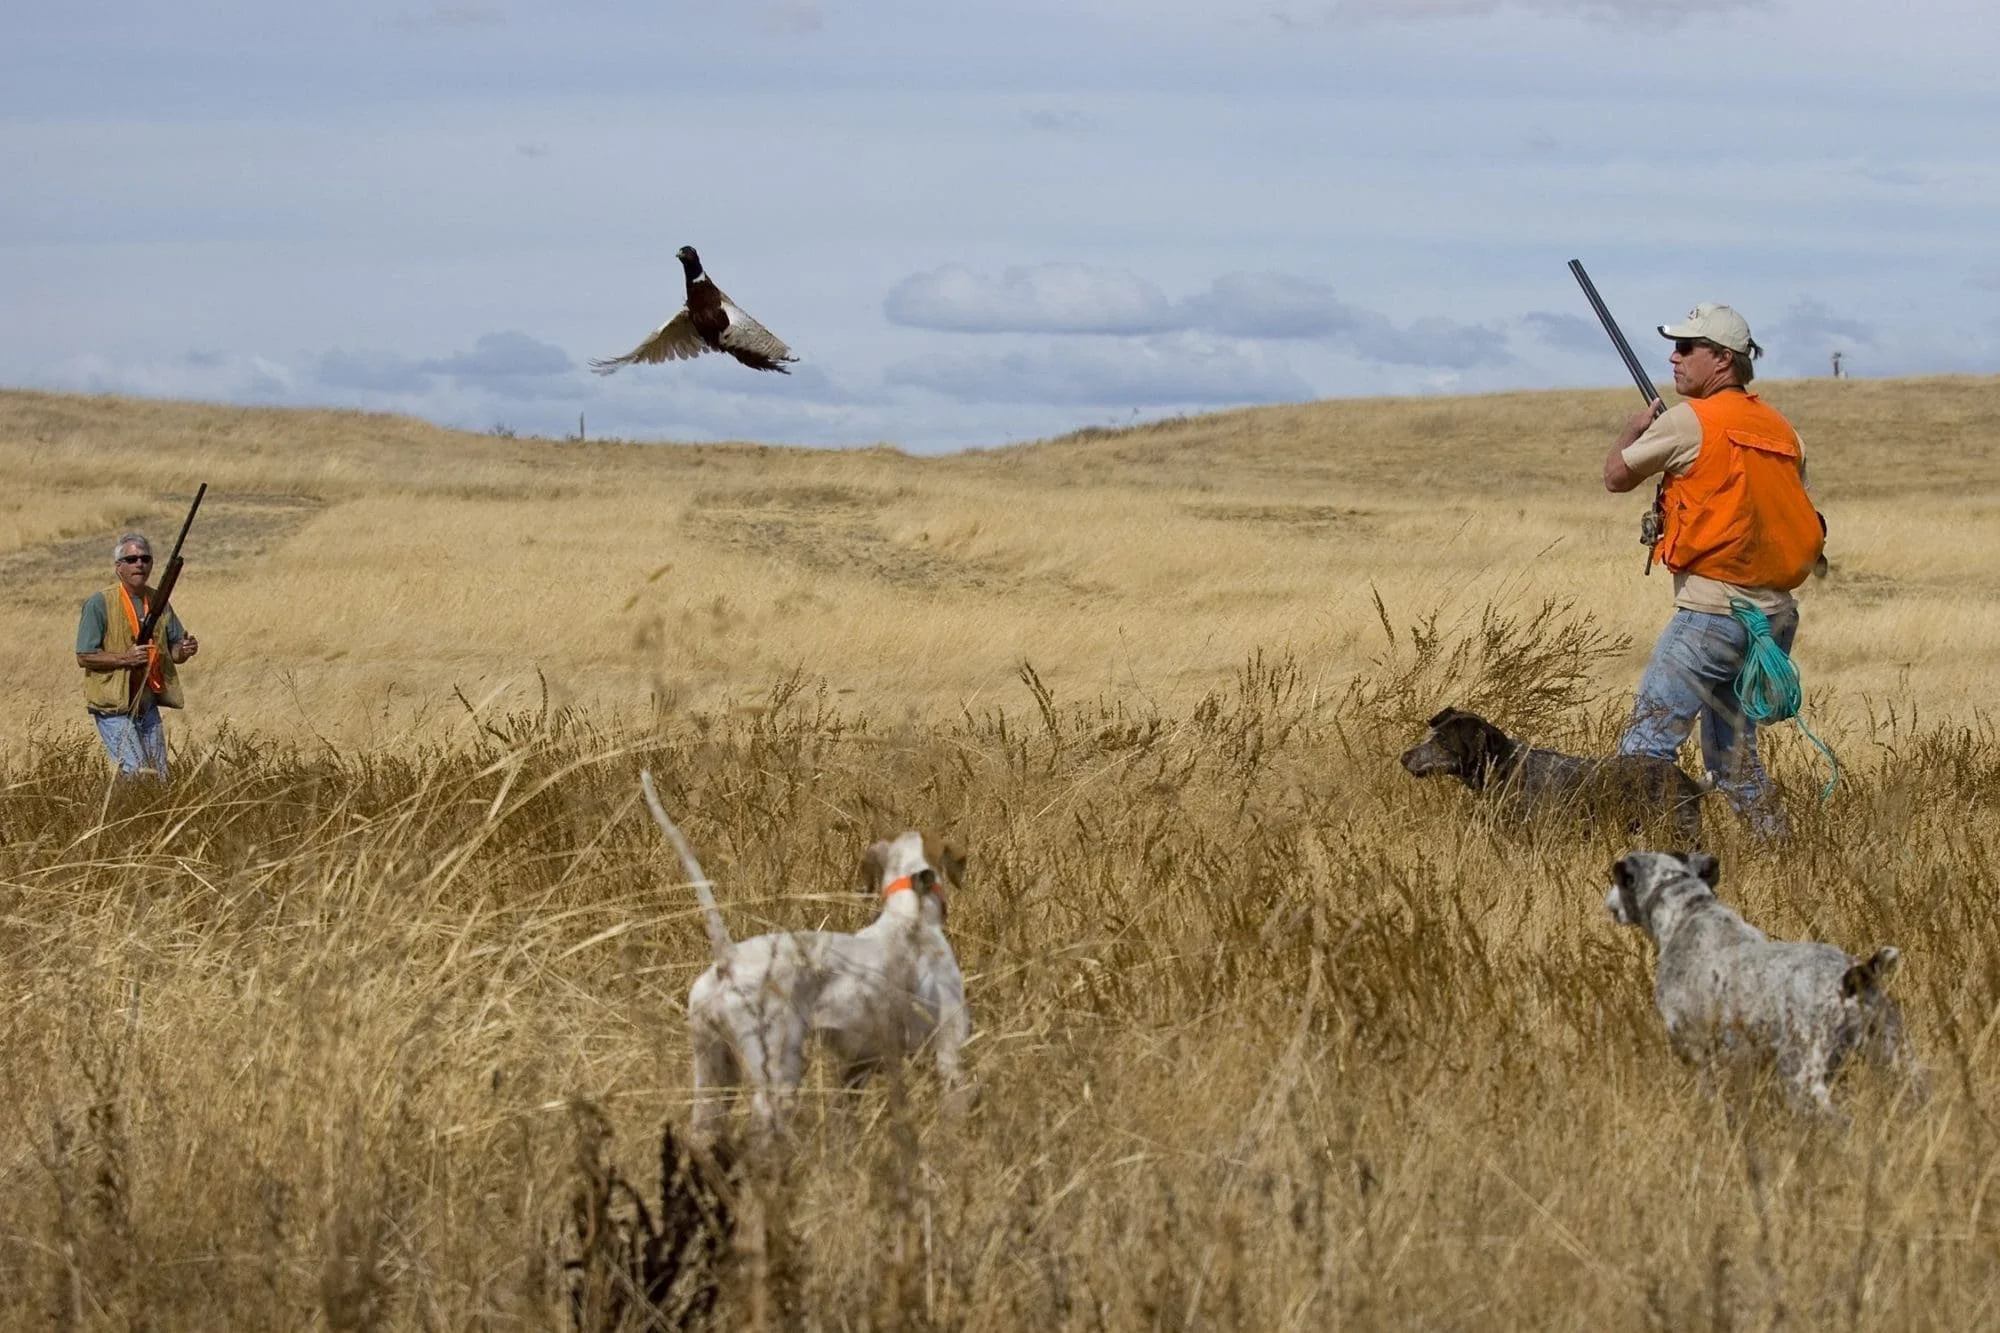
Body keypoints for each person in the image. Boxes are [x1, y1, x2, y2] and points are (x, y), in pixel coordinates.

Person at [1602, 303, 1823, 836]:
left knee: (1645, 746)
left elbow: (1616, 476)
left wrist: (1634, 430)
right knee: (1733, 760)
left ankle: (1652, 858)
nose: (1673, 358)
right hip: (1772, 620)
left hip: (1712, 615)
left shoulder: (1689, 420)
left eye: (1685, 348)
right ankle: (1781, 852)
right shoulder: (1782, 429)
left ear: (1722, 359)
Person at [75, 533, 199, 778]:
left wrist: (184, 650)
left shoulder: (159, 601)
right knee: (137, 773)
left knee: (159, 776)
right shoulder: (99, 603)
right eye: (131, 559)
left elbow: (174, 651)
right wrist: (125, 658)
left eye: (145, 558)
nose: (139, 564)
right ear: (118, 567)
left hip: (147, 704)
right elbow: (84, 656)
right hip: (114, 706)